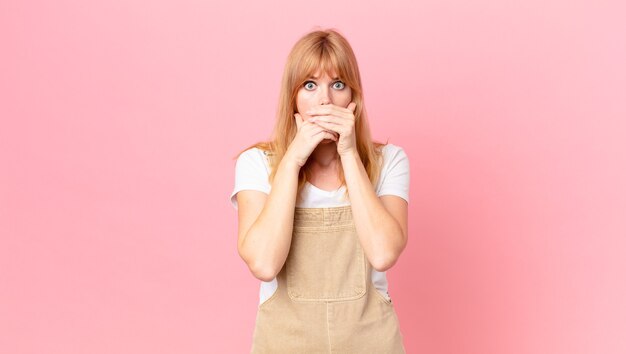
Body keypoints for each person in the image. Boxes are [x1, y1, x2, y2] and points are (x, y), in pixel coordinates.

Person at [230, 28, 409, 353]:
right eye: (310, 85)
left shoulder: (389, 161)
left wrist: (349, 153)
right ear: (293, 97)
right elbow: (264, 264)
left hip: (370, 342)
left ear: (353, 97)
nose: (325, 100)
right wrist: (293, 160)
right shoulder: (255, 163)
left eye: (337, 84)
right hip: (284, 343)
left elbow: (383, 254)